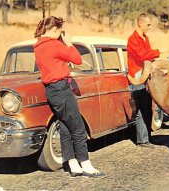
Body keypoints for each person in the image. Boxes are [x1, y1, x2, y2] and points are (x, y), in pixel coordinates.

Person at [33, 16, 104, 178]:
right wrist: (69, 43)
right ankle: (85, 165)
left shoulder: (38, 46)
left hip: (51, 91)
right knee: (78, 128)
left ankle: (73, 164)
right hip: (63, 89)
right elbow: (78, 60)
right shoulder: (55, 45)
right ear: (56, 30)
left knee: (65, 126)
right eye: (59, 31)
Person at [127, 13, 166, 148]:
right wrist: (158, 52)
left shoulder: (145, 38)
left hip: (146, 75)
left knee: (148, 107)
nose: (150, 27)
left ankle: (147, 137)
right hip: (138, 76)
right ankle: (142, 140)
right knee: (141, 108)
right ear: (140, 24)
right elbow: (142, 55)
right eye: (148, 25)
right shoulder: (133, 39)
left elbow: (147, 55)